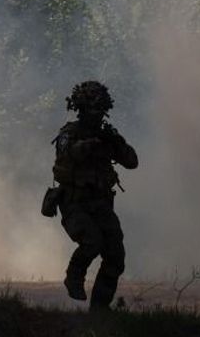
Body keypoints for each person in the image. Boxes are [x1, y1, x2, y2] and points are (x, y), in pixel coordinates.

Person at [51, 80, 138, 311]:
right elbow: (68, 153)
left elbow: (132, 161)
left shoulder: (106, 135)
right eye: (92, 108)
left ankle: (99, 308)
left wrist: (114, 142)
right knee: (92, 242)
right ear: (81, 108)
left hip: (100, 205)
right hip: (74, 203)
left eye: (101, 109)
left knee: (115, 255)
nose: (97, 114)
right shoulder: (69, 133)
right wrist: (88, 146)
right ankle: (74, 277)